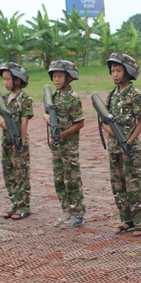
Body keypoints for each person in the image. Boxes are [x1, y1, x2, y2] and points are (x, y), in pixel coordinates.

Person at [103, 53, 141, 236]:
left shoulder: (135, 95)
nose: (115, 74)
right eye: (113, 71)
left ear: (128, 72)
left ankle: (140, 221)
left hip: (129, 149)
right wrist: (108, 130)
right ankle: (127, 219)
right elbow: (103, 120)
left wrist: (128, 142)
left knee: (133, 184)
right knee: (118, 184)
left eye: (119, 71)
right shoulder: (111, 95)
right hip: (114, 148)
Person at [0, 62, 33, 220]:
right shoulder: (4, 98)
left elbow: (24, 121)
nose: (4, 82)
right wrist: (0, 118)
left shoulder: (25, 98)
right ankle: (15, 204)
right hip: (6, 141)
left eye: (7, 79)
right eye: (3, 79)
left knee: (21, 174)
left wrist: (22, 142)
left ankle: (24, 206)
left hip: (18, 142)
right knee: (9, 174)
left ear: (18, 80)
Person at [44, 60, 86, 229]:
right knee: (59, 181)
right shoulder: (54, 97)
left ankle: (77, 215)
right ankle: (67, 212)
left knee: (72, 181)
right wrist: (47, 119)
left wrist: (62, 135)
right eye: (54, 76)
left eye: (60, 76)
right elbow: (46, 115)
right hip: (56, 149)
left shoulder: (73, 98)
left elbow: (80, 123)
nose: (56, 79)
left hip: (69, 148)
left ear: (69, 77)